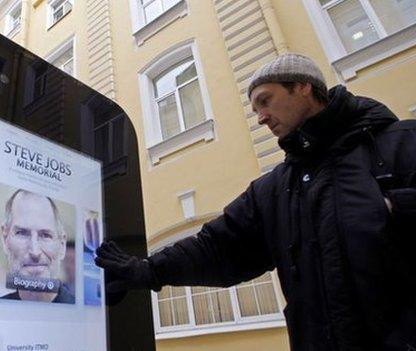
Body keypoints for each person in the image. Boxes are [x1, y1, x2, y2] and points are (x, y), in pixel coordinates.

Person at [95, 54, 416, 350]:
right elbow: (216, 247)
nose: (261, 118)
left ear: (304, 86)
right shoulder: (275, 191)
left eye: (266, 101)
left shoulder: (401, 143)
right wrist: (146, 270)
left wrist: (395, 208)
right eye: (255, 109)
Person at [0, 189, 75, 303]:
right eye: (22, 233)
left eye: (45, 235)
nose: (35, 252)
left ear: (62, 246)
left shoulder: (87, 316)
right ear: (5, 240)